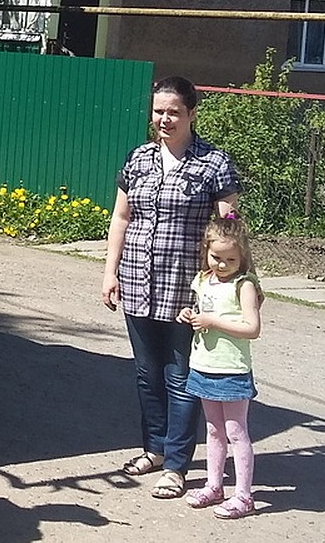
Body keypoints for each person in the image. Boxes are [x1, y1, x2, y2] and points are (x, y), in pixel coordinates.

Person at [102, 76, 241, 501]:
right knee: (147, 375)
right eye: (158, 111)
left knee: (181, 377)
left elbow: (228, 228)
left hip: (187, 291)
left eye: (173, 112)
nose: (164, 119)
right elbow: (121, 217)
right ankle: (155, 449)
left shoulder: (213, 164)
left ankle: (178, 466)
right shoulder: (138, 159)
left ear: (191, 114)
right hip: (137, 283)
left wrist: (231, 283)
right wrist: (110, 273)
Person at [178, 214, 263, 519]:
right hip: (203, 364)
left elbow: (252, 328)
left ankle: (244, 494)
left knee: (236, 432)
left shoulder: (244, 285)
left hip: (232, 369)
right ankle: (215, 485)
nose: (222, 265)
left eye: (230, 259)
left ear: (242, 256)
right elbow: (204, 311)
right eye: (216, 257)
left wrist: (213, 322)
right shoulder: (203, 280)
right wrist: (190, 314)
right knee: (213, 431)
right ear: (206, 251)